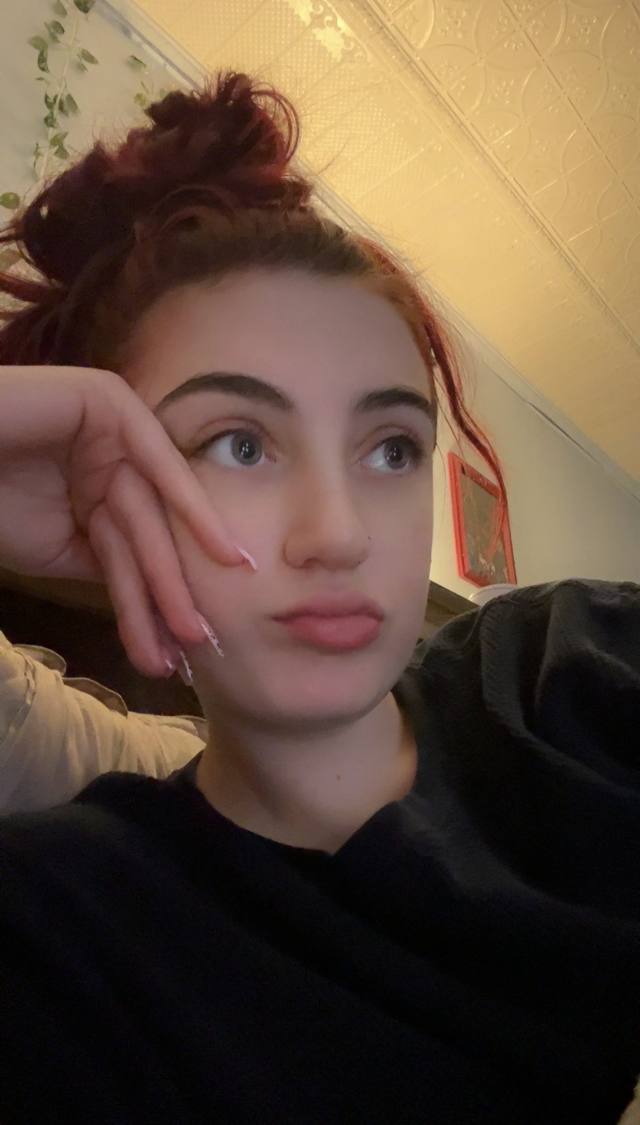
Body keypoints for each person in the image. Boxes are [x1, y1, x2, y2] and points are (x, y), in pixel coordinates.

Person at [0, 72, 638, 1125]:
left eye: (390, 449)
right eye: (240, 445)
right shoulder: (62, 924)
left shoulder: (569, 672)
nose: (339, 533)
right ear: (106, 492)